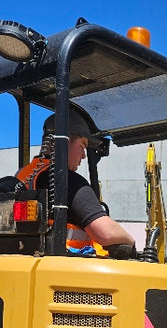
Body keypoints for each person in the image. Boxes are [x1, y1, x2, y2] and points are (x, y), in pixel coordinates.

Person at [16, 109, 135, 254]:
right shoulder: (69, 181)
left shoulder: (22, 176)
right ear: (63, 142)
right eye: (82, 146)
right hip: (65, 269)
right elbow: (106, 233)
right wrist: (131, 241)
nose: (84, 155)